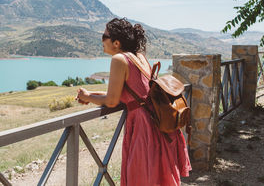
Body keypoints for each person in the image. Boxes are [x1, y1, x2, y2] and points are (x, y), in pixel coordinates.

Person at [76, 18, 191, 186]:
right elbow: (127, 93)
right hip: (155, 119)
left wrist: (87, 98)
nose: (101, 40)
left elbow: (112, 100)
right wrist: (91, 94)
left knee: (142, 176)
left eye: (104, 36)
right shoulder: (139, 57)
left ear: (116, 42)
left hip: (143, 125)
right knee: (156, 176)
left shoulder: (119, 59)